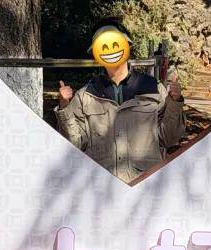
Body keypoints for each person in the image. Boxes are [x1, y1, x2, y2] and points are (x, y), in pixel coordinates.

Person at [55, 20, 185, 184]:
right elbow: (75, 144)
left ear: (127, 46)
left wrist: (174, 103)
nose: (110, 50)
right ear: (96, 53)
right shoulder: (85, 95)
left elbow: (169, 139)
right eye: (103, 46)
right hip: (101, 187)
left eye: (115, 43)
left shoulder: (154, 88)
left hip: (144, 185)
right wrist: (64, 107)